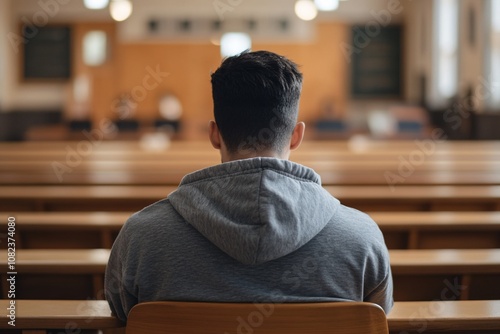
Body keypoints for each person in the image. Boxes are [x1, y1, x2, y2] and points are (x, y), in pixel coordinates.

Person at [104, 50, 393, 322]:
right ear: (296, 136)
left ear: (214, 135)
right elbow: (379, 317)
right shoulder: (362, 239)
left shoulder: (141, 238)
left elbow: (121, 315)